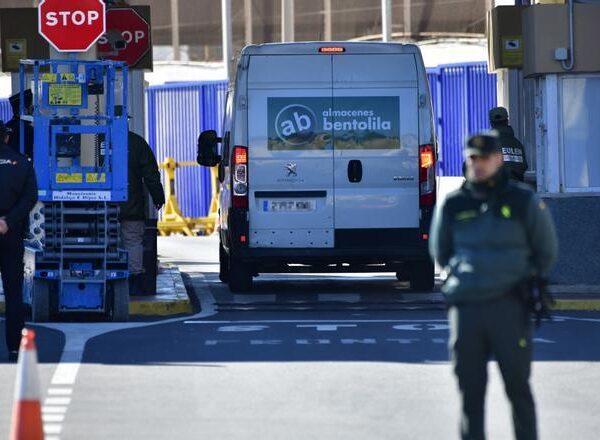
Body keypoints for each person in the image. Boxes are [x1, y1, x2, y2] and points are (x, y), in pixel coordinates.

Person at [429, 131, 558, 440]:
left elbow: (546, 251)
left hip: (509, 307)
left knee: (518, 388)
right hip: (467, 309)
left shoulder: (523, 201)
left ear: (499, 160)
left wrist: (521, 277)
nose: (478, 164)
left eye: (485, 158)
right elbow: (440, 250)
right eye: (473, 158)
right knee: (470, 393)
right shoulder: (454, 203)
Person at [0, 121, 38, 362]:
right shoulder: (22, 163)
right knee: (14, 291)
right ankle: (14, 346)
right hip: (11, 234)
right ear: (6, 138)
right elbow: (30, 197)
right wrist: (9, 221)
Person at [119, 131, 165, 296]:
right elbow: (151, 174)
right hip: (131, 205)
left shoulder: (96, 138)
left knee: (105, 241)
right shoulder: (137, 142)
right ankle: (133, 283)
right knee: (132, 241)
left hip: (101, 204)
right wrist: (158, 197)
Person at [489, 106, 527, 182]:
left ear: (491, 123)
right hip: (516, 190)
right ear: (507, 121)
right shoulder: (517, 144)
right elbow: (524, 166)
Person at [6, 89, 34, 159]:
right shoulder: (28, 129)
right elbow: (32, 153)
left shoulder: (6, 126)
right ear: (22, 111)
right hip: (22, 167)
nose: (33, 112)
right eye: (31, 109)